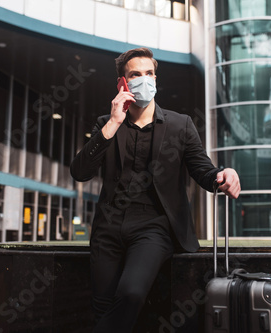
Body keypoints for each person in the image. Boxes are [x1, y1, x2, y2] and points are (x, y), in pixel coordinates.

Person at [70, 47, 240, 333]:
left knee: (131, 293)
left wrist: (223, 174)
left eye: (149, 73)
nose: (144, 80)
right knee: (101, 305)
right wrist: (113, 123)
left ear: (156, 79)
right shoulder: (107, 124)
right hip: (108, 227)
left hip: (153, 227)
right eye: (135, 74)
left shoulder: (180, 125)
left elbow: (203, 170)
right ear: (122, 83)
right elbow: (80, 172)